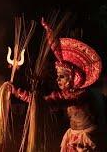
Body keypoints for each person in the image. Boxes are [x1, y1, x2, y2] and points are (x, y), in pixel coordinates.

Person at [9, 19, 105, 152]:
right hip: (73, 134)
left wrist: (16, 91)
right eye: (58, 77)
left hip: (86, 137)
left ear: (72, 78)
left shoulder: (80, 94)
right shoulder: (70, 92)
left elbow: (40, 101)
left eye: (62, 77)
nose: (58, 80)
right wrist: (49, 31)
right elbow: (39, 101)